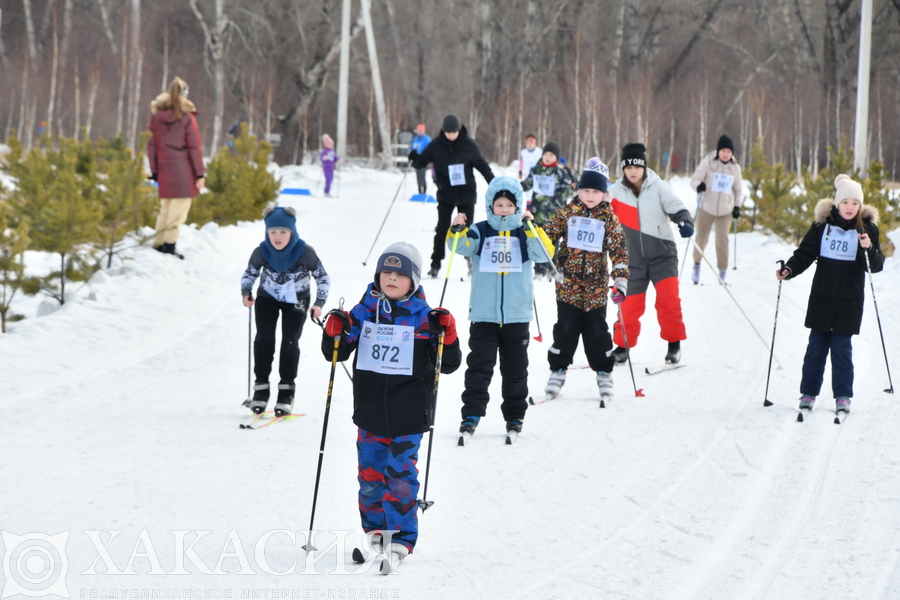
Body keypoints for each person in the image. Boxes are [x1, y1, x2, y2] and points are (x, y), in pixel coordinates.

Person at [320, 242, 462, 571]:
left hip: (409, 414)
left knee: (399, 477)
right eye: (387, 272)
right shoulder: (363, 311)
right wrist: (334, 333)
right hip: (370, 412)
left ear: (413, 280)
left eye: (401, 274)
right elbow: (337, 354)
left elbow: (450, 364)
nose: (392, 279)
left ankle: (401, 538)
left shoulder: (427, 319)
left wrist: (449, 334)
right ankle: (375, 533)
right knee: (370, 477)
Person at [449, 176, 554, 438]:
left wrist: (532, 226)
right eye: (499, 205)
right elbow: (458, 246)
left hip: (517, 316)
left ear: (518, 206)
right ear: (490, 206)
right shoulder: (481, 230)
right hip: (484, 315)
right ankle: (471, 414)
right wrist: (456, 229)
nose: (504, 209)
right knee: (479, 368)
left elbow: (544, 253)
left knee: (515, 370)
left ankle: (515, 416)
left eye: (509, 205)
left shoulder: (524, 231)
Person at [776, 174, 883, 414]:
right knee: (816, 346)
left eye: (855, 203)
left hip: (850, 300)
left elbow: (876, 265)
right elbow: (805, 253)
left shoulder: (867, 230)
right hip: (822, 298)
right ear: (837, 203)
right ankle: (809, 393)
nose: (850, 207)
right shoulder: (821, 227)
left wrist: (869, 248)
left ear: (860, 206)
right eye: (845, 202)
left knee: (842, 348)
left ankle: (843, 395)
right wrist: (789, 270)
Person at [540, 158, 629, 402]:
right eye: (586, 190)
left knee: (596, 332)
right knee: (565, 329)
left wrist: (620, 281)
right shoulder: (568, 212)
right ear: (579, 190)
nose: (590, 196)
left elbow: (619, 252)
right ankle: (558, 370)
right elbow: (547, 234)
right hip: (567, 285)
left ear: (604, 193)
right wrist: (534, 237)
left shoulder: (609, 219)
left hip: (596, 288)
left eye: (596, 191)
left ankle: (603, 372)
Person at [241, 205, 331, 416]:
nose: (278, 237)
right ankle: (261, 389)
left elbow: (323, 277)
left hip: (297, 301)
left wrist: (319, 303)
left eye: (283, 232)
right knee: (264, 340)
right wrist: (246, 292)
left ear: (292, 232)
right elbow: (249, 274)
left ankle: (286, 391)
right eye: (273, 232)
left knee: (290, 342)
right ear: (267, 232)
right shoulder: (262, 250)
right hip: (267, 298)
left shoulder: (304, 252)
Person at [609, 142, 693, 365]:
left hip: (662, 256)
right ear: (623, 169)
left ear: (644, 167)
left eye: (637, 167)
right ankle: (622, 346)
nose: (633, 171)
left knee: (669, 302)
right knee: (627, 307)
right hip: (631, 261)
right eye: (628, 168)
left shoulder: (658, 187)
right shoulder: (615, 192)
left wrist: (684, 220)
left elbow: (676, 206)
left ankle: (674, 345)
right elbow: (598, 212)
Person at [409, 114, 495, 278]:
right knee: (442, 228)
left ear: (459, 130)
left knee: (467, 229)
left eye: (453, 132)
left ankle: (470, 260)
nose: (451, 135)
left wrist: (494, 183)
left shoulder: (469, 145)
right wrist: (414, 159)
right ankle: (436, 263)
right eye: (448, 133)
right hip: (446, 194)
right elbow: (422, 162)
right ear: (444, 131)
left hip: (466, 194)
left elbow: (482, 165)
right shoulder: (436, 145)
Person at [147, 76, 205, 259]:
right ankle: (169, 246)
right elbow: (194, 148)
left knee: (166, 208)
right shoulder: (187, 119)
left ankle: (158, 243)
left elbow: (152, 146)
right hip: (183, 170)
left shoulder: (156, 118)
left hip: (164, 169)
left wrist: (155, 170)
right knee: (178, 211)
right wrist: (200, 174)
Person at [689, 134, 743, 284]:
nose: (726, 154)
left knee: (722, 240)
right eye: (723, 150)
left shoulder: (735, 168)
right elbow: (694, 180)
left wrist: (737, 207)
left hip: (725, 210)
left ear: (732, 154)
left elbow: (738, 191)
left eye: (729, 151)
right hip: (706, 206)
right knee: (701, 238)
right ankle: (696, 265)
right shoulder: (708, 162)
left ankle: (722, 272)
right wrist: (699, 186)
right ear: (718, 151)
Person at [520, 141, 575, 279]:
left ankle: (552, 266)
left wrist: (558, 197)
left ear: (556, 157)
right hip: (537, 212)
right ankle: (539, 268)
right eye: (546, 154)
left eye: (551, 155)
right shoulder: (536, 170)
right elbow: (526, 185)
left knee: (553, 240)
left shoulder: (560, 172)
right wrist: (514, 187)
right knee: (537, 238)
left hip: (554, 213)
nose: (548, 157)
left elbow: (568, 190)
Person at [409, 124, 432, 194]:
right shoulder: (415, 139)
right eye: (419, 131)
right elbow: (412, 148)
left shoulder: (427, 139)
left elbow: (430, 149)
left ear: (424, 131)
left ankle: (424, 191)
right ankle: (419, 191)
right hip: (417, 160)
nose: (420, 132)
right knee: (418, 176)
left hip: (424, 160)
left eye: (421, 131)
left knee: (422, 175)